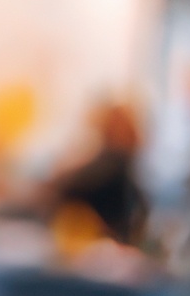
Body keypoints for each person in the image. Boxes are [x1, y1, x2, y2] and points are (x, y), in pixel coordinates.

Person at [40, 98, 152, 254]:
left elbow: (71, 186)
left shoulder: (112, 161)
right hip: (115, 238)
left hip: (102, 242)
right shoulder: (126, 161)